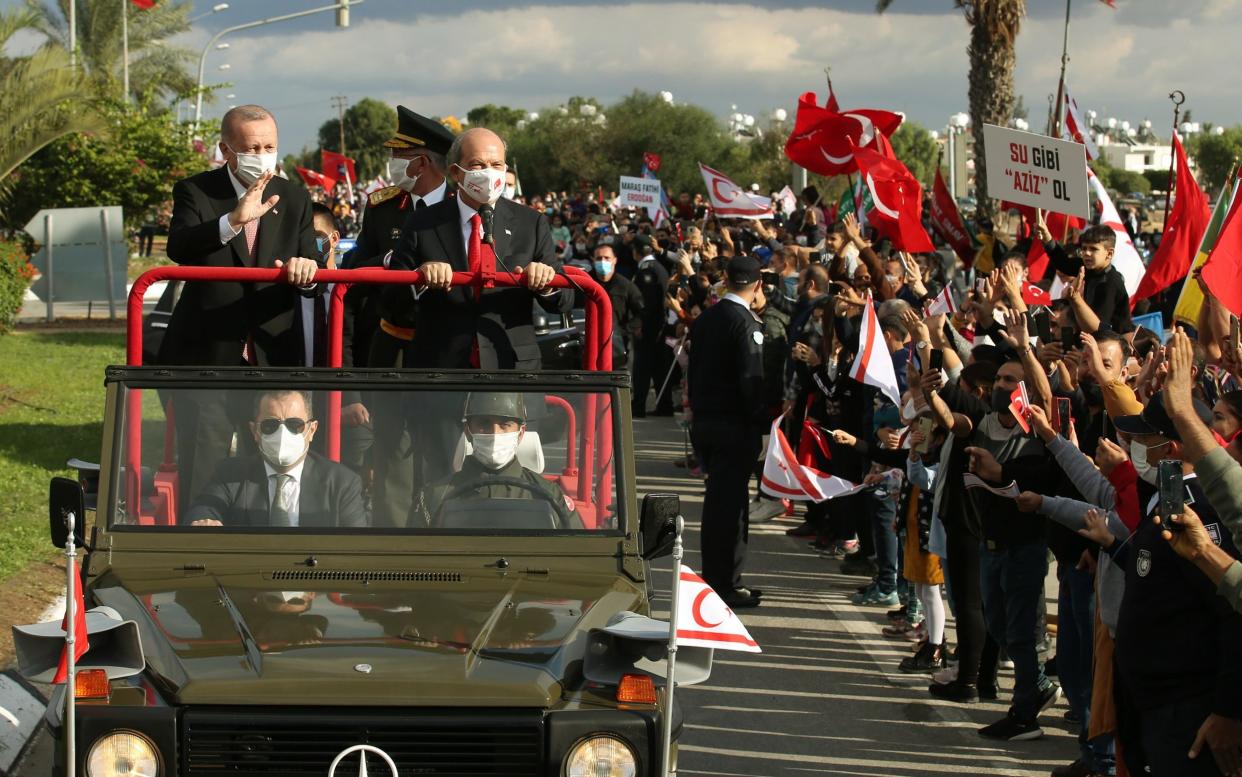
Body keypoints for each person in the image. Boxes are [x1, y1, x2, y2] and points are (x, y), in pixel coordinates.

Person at [162, 104, 320, 509]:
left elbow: (308, 258)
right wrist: (232, 220)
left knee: (269, 461)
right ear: (226, 150)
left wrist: (308, 264)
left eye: (270, 146)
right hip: (208, 354)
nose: (263, 155)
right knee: (205, 458)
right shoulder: (196, 191)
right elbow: (179, 247)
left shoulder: (295, 197)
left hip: (271, 356)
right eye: (252, 147)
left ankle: (262, 544)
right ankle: (201, 539)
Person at [347, 106, 455, 527]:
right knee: (391, 450)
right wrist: (389, 259)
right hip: (394, 341)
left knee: (443, 450)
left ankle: (441, 537)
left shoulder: (461, 205)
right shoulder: (383, 207)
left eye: (399, 155)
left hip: (446, 345)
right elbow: (356, 266)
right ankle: (390, 543)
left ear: (422, 161)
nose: (392, 165)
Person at [389, 126, 563, 370]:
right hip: (441, 369)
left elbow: (563, 301)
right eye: (477, 165)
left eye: (497, 164)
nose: (489, 173)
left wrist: (545, 282)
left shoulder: (531, 223)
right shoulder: (422, 223)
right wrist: (419, 278)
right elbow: (389, 303)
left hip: (512, 368)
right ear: (456, 173)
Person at [687, 255, 767, 608]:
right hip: (734, 427)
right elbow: (752, 381)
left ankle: (716, 577)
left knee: (717, 504)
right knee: (731, 508)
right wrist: (760, 426)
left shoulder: (707, 318)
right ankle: (725, 583)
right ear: (758, 285)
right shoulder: (745, 323)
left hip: (706, 423)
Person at [185, 389, 367, 528]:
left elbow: (356, 549)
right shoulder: (231, 474)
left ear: (311, 430)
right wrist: (204, 522)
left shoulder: (343, 483)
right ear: (254, 431)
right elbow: (204, 509)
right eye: (270, 425)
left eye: (294, 425)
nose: (282, 433)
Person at [414, 392, 581, 528]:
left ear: (521, 433)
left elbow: (578, 557)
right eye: (484, 424)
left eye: (504, 425)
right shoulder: (434, 498)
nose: (494, 434)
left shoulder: (550, 497)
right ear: (467, 430)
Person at [591, 241, 643, 365]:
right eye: (599, 258)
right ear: (593, 260)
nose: (603, 261)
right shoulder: (585, 283)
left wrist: (624, 330)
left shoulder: (625, 285)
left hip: (617, 346)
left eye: (607, 258)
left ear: (615, 260)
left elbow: (642, 312)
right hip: (588, 341)